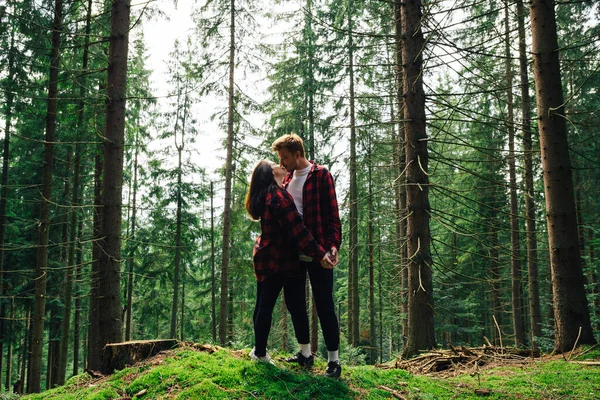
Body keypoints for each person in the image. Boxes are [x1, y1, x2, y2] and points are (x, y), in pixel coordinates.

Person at [245, 160, 334, 364]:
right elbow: (299, 231)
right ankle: (260, 355)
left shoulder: (271, 194)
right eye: (274, 163)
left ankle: (295, 353)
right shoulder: (279, 197)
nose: (280, 163)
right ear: (270, 172)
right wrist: (321, 253)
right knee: (270, 306)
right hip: (280, 261)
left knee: (265, 305)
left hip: (270, 258)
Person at [272, 133, 342, 378]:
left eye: (285, 158)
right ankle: (305, 353)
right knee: (295, 304)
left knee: (324, 305)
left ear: (298, 154)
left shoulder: (321, 175)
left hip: (320, 253)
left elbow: (333, 215)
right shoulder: (287, 179)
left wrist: (333, 247)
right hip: (293, 255)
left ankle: (333, 361)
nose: (282, 163)